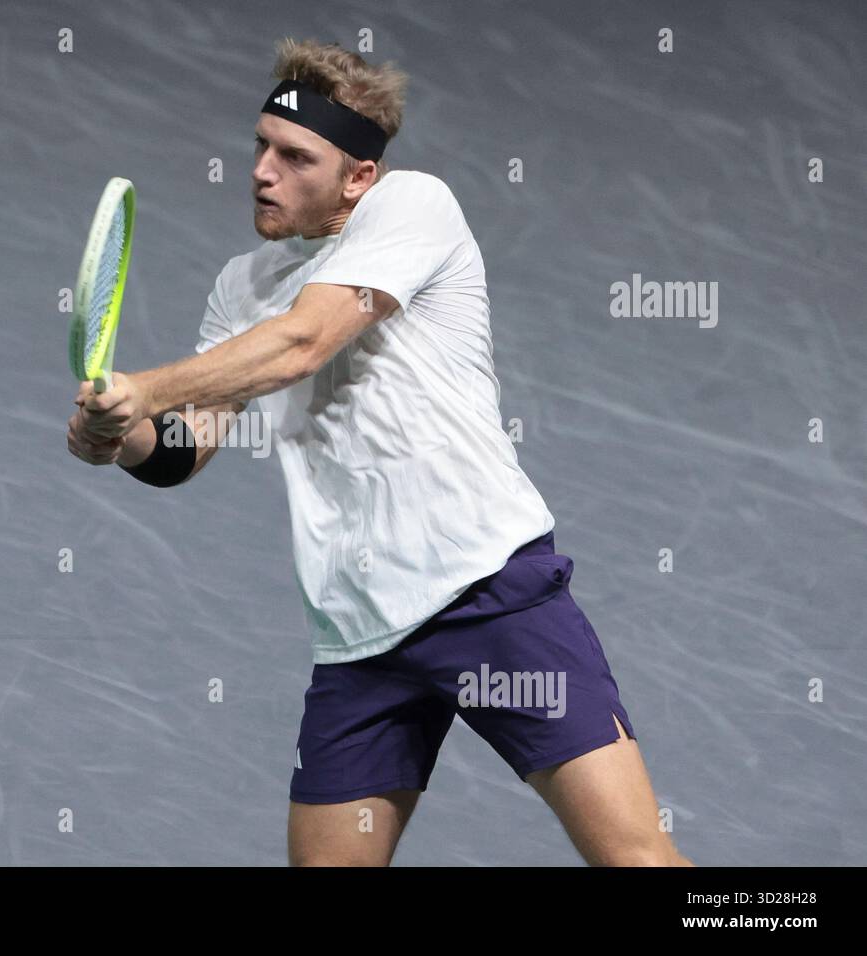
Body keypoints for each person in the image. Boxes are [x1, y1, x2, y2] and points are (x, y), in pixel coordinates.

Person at [67, 37, 692, 867]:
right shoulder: (239, 284)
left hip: (488, 594)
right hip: (360, 634)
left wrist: (147, 385)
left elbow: (303, 342)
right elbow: (186, 446)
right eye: (261, 145)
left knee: (635, 860)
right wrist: (123, 435)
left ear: (359, 177)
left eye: (296, 157)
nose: (262, 171)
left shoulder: (414, 207)